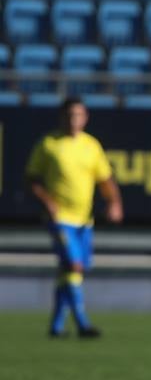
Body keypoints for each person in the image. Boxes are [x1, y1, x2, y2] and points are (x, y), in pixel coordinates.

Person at [25, 96, 123, 338]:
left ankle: (57, 327)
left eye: (78, 115)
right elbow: (32, 179)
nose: (74, 120)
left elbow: (105, 178)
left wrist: (114, 202)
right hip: (60, 218)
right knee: (74, 265)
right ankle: (82, 323)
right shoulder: (49, 144)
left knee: (69, 272)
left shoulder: (91, 146)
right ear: (62, 117)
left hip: (83, 219)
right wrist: (47, 201)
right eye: (70, 115)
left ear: (85, 117)